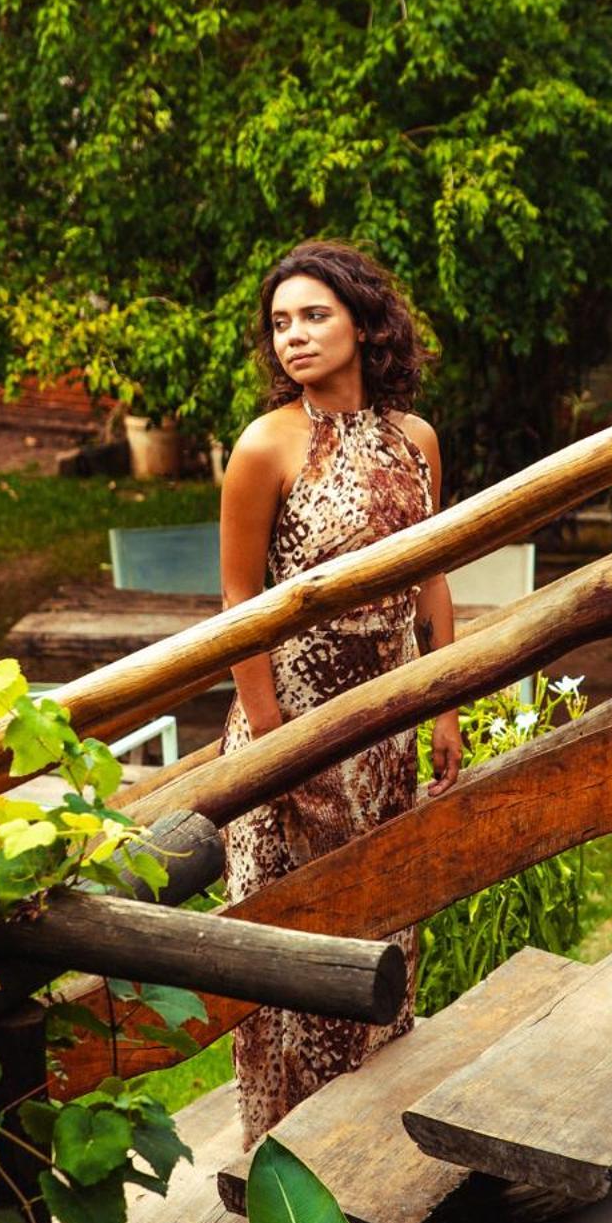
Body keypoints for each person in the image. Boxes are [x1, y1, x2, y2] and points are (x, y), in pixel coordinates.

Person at [217, 239, 462, 1147]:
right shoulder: (263, 445)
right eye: (281, 322)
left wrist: (443, 703)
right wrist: (279, 740)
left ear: (363, 323)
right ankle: (279, 1164)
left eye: (315, 314)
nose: (295, 336)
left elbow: (432, 577)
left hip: (388, 728)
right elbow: (239, 598)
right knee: (293, 951)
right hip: (292, 726)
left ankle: (372, 1155)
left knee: (382, 937)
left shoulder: (416, 439)